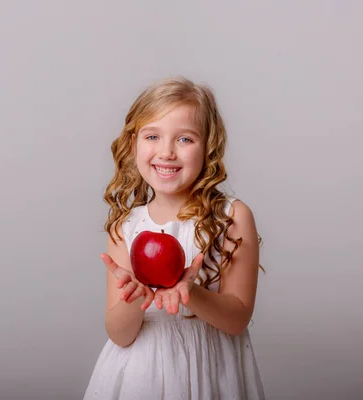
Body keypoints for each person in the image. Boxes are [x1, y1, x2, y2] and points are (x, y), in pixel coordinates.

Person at [83, 76, 266, 399]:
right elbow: (119, 334)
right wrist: (136, 297)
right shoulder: (125, 226)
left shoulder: (232, 217)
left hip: (209, 371)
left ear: (208, 146)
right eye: (152, 136)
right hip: (141, 373)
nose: (166, 152)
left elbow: (237, 319)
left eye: (184, 139)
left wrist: (189, 292)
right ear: (132, 144)